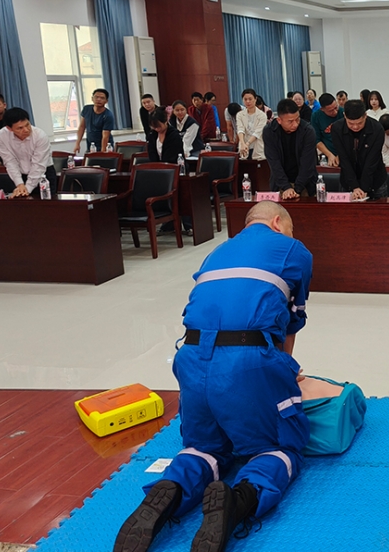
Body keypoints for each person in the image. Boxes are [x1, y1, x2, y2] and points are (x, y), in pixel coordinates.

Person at [114, 201, 311, 552]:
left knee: (204, 448)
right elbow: (290, 325)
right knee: (280, 447)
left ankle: (171, 490)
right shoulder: (294, 249)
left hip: (191, 359)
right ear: (277, 223)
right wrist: (283, 373)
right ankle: (238, 501)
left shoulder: (216, 252)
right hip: (248, 360)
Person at [331, 99, 387, 200]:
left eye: (360, 123)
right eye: (351, 123)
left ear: (365, 115)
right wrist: (354, 186)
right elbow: (344, 159)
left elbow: (372, 160)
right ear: (344, 116)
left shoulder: (377, 129)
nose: (355, 127)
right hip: (348, 180)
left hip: (374, 180)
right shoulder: (337, 129)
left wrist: (364, 188)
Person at [264, 98, 319, 199]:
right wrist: (286, 187)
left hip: (305, 183)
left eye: (297, 119)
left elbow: (307, 163)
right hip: (280, 183)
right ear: (279, 120)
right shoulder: (270, 131)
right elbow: (274, 162)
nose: (295, 124)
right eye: (290, 121)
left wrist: (297, 189)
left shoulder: (307, 131)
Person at [0, 108, 56, 199]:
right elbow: (9, 161)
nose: (26, 130)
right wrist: (20, 184)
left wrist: (27, 189)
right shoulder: (1, 136)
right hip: (19, 176)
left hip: (43, 175)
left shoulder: (40, 136)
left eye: (27, 125)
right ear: (9, 128)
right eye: (20, 128)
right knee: (21, 205)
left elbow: (38, 165)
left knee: (47, 205)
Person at [74, 88, 114, 154]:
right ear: (92, 99)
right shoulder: (86, 109)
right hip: (91, 145)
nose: (99, 99)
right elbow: (82, 127)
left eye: (102, 98)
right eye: (96, 97)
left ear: (106, 101)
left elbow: (105, 136)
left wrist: (103, 153)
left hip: (105, 146)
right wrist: (77, 143)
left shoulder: (108, 115)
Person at [312, 92, 343, 167]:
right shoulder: (316, 116)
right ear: (322, 109)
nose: (335, 112)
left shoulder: (343, 112)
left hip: (344, 151)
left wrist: (341, 155)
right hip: (327, 153)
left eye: (336, 107)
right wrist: (329, 155)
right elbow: (316, 140)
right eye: (330, 111)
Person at [236, 89, 268, 160]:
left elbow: (258, 132)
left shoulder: (262, 115)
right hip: (244, 147)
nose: (248, 101)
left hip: (257, 146)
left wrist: (247, 144)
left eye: (250, 99)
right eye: (245, 99)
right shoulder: (240, 114)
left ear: (255, 99)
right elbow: (240, 129)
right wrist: (242, 143)